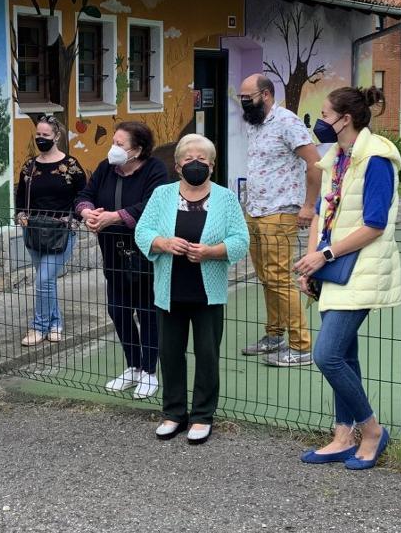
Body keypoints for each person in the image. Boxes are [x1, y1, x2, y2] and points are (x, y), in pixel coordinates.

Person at [292, 87, 401, 470]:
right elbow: (322, 214)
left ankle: (371, 431)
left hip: (360, 268)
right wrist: (311, 260)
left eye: (325, 114)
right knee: (345, 356)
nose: (319, 121)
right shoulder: (335, 158)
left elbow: (375, 224)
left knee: (327, 355)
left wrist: (323, 256)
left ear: (345, 118)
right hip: (334, 266)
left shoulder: (377, 159)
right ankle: (343, 436)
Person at [135, 134, 248, 444]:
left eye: (202, 159)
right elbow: (143, 231)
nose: (195, 164)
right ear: (177, 165)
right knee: (170, 353)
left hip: (207, 292)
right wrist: (162, 243)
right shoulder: (162, 195)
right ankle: (173, 413)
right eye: (188, 159)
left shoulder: (226, 198)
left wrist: (211, 252)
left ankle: (202, 415)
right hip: (169, 289)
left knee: (207, 354)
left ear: (212, 165)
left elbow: (241, 239)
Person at [75, 122, 169, 400]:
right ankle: (133, 366)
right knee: (118, 310)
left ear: (137, 150)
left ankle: (149, 371)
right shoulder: (106, 168)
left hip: (144, 254)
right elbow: (85, 195)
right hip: (113, 253)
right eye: (113, 142)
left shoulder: (155, 170)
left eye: (120, 144)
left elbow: (153, 205)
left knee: (147, 312)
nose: (113, 148)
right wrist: (89, 213)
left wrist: (114, 217)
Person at [236, 73, 322, 367]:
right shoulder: (255, 123)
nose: (244, 102)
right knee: (266, 277)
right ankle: (274, 335)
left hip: (281, 210)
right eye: (240, 98)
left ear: (266, 95)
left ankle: (301, 345)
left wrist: (308, 206)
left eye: (248, 97)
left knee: (279, 278)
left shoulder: (287, 122)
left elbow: (314, 162)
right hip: (255, 209)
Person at [15, 115, 88, 344]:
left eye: (45, 135)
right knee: (46, 281)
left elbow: (84, 195)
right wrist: (21, 215)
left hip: (61, 232)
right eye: (38, 134)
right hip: (34, 230)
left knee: (43, 279)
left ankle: (39, 327)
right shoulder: (29, 166)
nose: (41, 138)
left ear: (56, 136)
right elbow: (20, 196)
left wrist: (76, 219)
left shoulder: (71, 166)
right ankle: (55, 323)